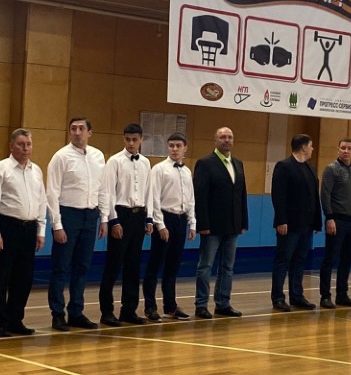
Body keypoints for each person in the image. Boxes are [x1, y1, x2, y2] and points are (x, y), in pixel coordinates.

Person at [0, 128, 47, 337]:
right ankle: (0, 323)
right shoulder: (0, 170)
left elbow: (42, 201)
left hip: (29, 228)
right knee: (1, 276)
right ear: (11, 146)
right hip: (7, 226)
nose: (25, 148)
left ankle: (15, 320)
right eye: (21, 144)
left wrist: (41, 230)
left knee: (24, 277)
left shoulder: (36, 171)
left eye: (28, 144)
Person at [46, 117, 107, 332]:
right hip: (68, 215)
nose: (77, 132)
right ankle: (57, 314)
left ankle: (76, 312)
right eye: (73, 129)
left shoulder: (98, 156)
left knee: (82, 266)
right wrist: (57, 224)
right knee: (61, 267)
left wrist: (104, 218)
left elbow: (102, 188)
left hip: (91, 216)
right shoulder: (61, 157)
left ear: (90, 132)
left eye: (81, 129)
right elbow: (52, 192)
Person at [98, 124, 153, 326]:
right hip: (121, 215)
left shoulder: (145, 162)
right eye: (128, 139)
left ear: (141, 140)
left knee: (133, 265)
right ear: (123, 139)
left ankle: (129, 310)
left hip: (139, 216)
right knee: (113, 265)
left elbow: (148, 191)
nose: (131, 143)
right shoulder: (114, 161)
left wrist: (149, 218)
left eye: (135, 139)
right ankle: (107, 312)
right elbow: (108, 192)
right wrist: (113, 220)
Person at [193, 127, 248, 319]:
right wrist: (202, 224)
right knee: (205, 266)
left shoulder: (238, 163)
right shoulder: (205, 163)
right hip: (212, 226)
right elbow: (200, 196)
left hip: (233, 225)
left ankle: (223, 303)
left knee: (228, 267)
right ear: (215, 141)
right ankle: (201, 305)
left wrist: (243, 221)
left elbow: (241, 194)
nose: (226, 140)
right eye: (222, 137)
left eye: (230, 137)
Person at [143, 133, 196, 322]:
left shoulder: (187, 171)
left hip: (181, 220)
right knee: (155, 264)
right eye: (171, 145)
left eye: (178, 146)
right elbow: (154, 198)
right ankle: (150, 307)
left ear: (185, 148)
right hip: (164, 218)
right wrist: (160, 224)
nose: (174, 149)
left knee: (173, 266)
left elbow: (190, 198)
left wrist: (192, 223)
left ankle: (170, 306)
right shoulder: (159, 169)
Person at [271, 134, 322, 312]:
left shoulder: (310, 168)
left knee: (300, 260)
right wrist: (281, 220)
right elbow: (278, 195)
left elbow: (314, 197)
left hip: (306, 224)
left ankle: (297, 295)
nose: (312, 149)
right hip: (290, 224)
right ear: (303, 147)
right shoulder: (284, 166)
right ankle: (278, 297)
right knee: (283, 260)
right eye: (311, 146)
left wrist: (316, 222)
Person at [319, 139, 351, 309]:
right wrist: (329, 218)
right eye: (343, 148)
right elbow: (325, 194)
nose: (346, 151)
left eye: (349, 148)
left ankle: (342, 294)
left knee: (347, 259)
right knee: (330, 258)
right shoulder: (331, 169)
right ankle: (325, 296)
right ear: (338, 149)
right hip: (337, 220)